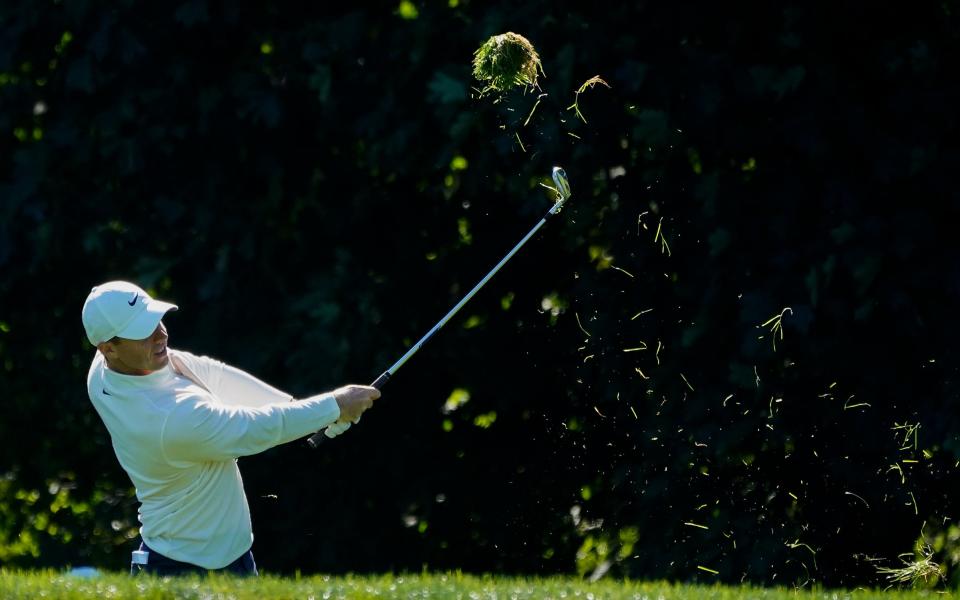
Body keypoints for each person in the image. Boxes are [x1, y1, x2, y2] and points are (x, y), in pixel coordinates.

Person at [81, 280, 380, 577]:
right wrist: (335, 406)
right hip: (183, 572)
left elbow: (209, 372)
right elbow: (256, 428)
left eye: (156, 320)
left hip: (226, 561)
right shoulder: (170, 418)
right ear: (109, 348)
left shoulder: (104, 372)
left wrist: (305, 411)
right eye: (143, 331)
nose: (160, 334)